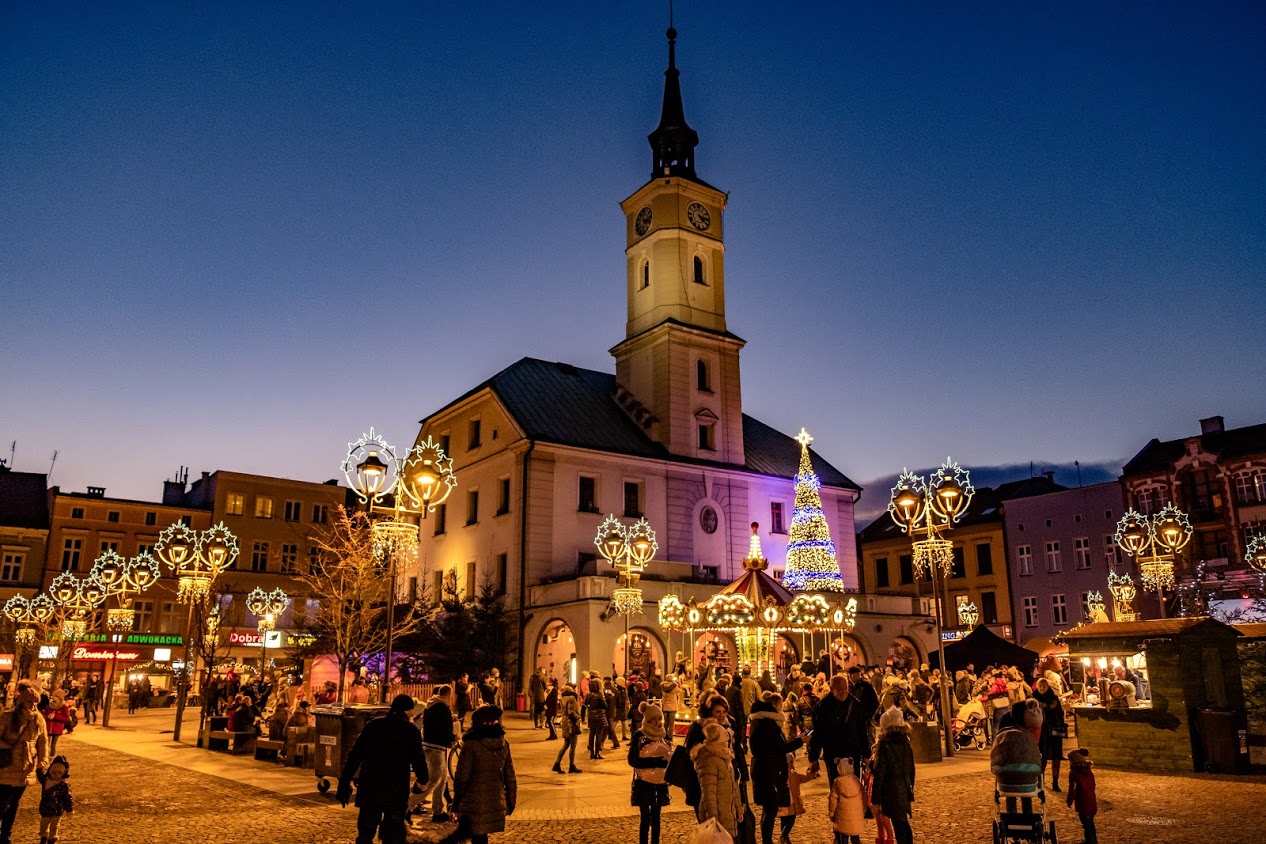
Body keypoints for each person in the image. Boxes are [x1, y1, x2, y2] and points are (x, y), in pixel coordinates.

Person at [336, 694, 428, 844]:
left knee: (366, 831)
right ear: (408, 711)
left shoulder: (373, 725)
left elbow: (355, 755)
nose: (412, 715)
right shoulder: (410, 730)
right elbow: (418, 759)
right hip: (396, 789)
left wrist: (345, 780)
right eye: (412, 712)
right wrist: (423, 780)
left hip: (370, 786)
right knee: (393, 834)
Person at [442, 705, 517, 844]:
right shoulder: (503, 743)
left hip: (473, 802)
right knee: (481, 836)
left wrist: (456, 803)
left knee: (477, 836)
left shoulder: (471, 745)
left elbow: (462, 777)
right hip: (495, 799)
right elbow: (510, 777)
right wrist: (510, 801)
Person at [0, 679, 49, 844]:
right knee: (2, 803)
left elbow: (43, 741)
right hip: (7, 766)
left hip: (26, 767)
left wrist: (43, 759)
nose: (32, 705)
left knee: (14, 804)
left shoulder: (38, 719)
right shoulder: (8, 717)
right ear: (21, 702)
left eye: (35, 702)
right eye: (29, 701)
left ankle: (5, 835)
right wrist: (8, 747)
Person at [750, 692, 803, 844]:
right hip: (767, 770)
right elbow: (780, 747)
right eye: (779, 706)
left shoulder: (763, 722)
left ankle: (772, 839)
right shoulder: (767, 724)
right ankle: (767, 840)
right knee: (770, 808)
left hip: (768, 769)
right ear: (774, 706)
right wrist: (800, 741)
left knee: (771, 807)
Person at [808, 676, 869, 784]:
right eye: (839, 689)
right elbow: (818, 733)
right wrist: (814, 757)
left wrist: (866, 755)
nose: (843, 691)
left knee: (853, 788)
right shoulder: (822, 707)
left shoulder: (855, 705)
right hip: (833, 755)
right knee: (836, 787)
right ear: (832, 689)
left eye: (845, 688)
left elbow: (862, 731)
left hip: (852, 753)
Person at [627, 702, 672, 844]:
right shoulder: (639, 735)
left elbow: (670, 757)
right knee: (645, 815)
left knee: (657, 815)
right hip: (644, 781)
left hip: (660, 781)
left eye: (659, 719)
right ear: (647, 720)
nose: (657, 722)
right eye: (654, 719)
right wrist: (654, 762)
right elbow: (632, 760)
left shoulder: (665, 735)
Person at [871, 707, 915, 844]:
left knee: (898, 823)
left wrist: (875, 798)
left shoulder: (884, 744)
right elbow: (911, 768)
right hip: (904, 786)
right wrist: (910, 787)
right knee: (902, 821)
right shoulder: (905, 741)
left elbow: (880, 771)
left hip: (890, 789)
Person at [692, 720, 741, 840]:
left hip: (728, 813)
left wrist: (738, 808)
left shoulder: (725, 757)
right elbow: (708, 792)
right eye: (725, 741)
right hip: (717, 815)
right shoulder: (708, 760)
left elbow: (734, 785)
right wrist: (712, 818)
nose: (727, 744)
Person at [416, 685, 457, 823]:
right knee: (434, 780)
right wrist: (452, 738)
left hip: (429, 744)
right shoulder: (442, 707)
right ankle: (408, 805)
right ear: (448, 694)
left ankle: (438, 811)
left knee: (440, 779)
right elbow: (444, 728)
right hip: (437, 746)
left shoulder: (430, 705)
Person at [779, 751, 815, 844]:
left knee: (791, 820)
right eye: (790, 762)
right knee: (784, 820)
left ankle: (784, 837)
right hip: (784, 802)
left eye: (791, 762)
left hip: (793, 802)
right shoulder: (780, 774)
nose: (791, 764)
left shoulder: (794, 774)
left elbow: (805, 778)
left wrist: (811, 772)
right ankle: (784, 837)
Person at [36, 753, 72, 844]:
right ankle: (43, 838)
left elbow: (67, 797)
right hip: (45, 808)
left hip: (58, 809)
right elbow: (40, 775)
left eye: (59, 773)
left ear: (64, 773)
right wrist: (39, 768)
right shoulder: (46, 781)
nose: (56, 775)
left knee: (54, 826)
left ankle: (52, 840)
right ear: (50, 772)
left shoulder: (64, 785)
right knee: (43, 825)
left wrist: (69, 809)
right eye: (54, 772)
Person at [828, 756, 864, 844]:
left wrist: (831, 813)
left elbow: (833, 800)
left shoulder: (837, 783)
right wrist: (863, 810)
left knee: (843, 838)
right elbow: (864, 797)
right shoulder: (857, 781)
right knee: (855, 838)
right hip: (856, 816)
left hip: (842, 817)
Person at [1065, 748, 1097, 844]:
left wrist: (1069, 800)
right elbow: (1093, 785)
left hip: (1083, 802)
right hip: (1091, 800)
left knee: (1086, 823)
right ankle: (1093, 840)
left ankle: (1090, 841)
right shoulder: (1088, 771)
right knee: (1090, 821)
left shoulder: (1074, 773)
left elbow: (1073, 789)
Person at [552, 683, 582, 774]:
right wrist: (578, 717)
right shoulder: (572, 698)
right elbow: (571, 712)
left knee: (566, 744)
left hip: (565, 722)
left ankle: (557, 764)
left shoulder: (562, 698)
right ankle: (571, 765)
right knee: (573, 745)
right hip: (571, 723)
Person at [41, 692, 71, 756]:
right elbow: (43, 715)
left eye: (55, 696)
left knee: (53, 745)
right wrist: (47, 717)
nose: (53, 697)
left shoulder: (64, 707)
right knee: (46, 743)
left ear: (59, 698)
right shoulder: (49, 706)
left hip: (57, 728)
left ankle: (52, 755)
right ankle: (45, 756)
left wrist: (55, 717)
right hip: (48, 727)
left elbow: (65, 718)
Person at [585, 679, 608, 760]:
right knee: (599, 735)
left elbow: (585, 703)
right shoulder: (599, 695)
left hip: (591, 716)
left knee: (591, 735)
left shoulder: (589, 695)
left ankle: (591, 753)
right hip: (600, 716)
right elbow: (605, 705)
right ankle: (597, 752)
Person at [659, 678, 681, 743]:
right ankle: (670, 737)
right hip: (672, 707)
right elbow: (680, 691)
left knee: (665, 723)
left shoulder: (663, 687)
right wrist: (679, 683)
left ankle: (664, 736)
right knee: (671, 724)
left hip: (665, 706)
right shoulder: (674, 686)